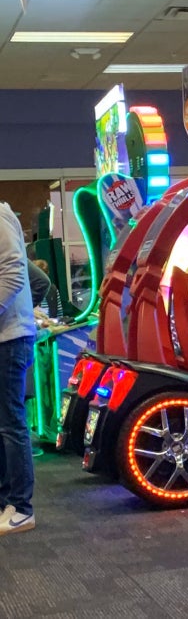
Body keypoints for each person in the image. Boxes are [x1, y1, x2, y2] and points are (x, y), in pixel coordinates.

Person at [0, 202, 39, 535]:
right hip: (7, 337)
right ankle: (6, 503)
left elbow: (14, 273)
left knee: (11, 424)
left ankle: (21, 508)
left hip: (10, 338)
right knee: (4, 424)